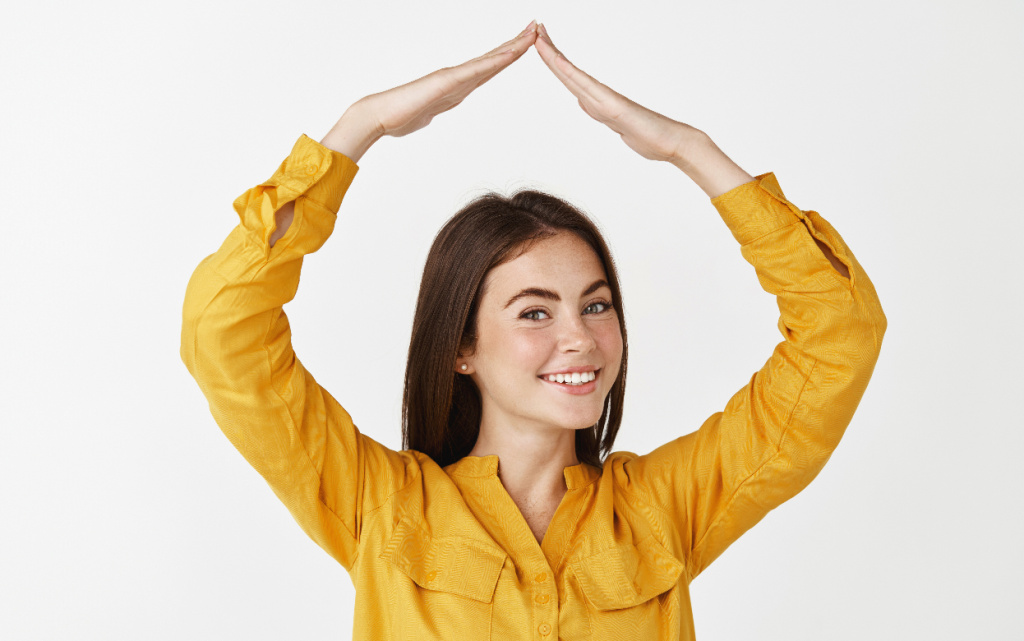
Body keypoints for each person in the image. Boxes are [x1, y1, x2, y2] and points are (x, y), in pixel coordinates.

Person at [180, 21, 886, 641]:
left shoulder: (662, 510)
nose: (579, 337)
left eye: (597, 304)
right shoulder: (381, 507)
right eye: (535, 312)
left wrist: (687, 149)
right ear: (461, 347)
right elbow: (223, 331)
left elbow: (840, 331)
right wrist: (358, 129)